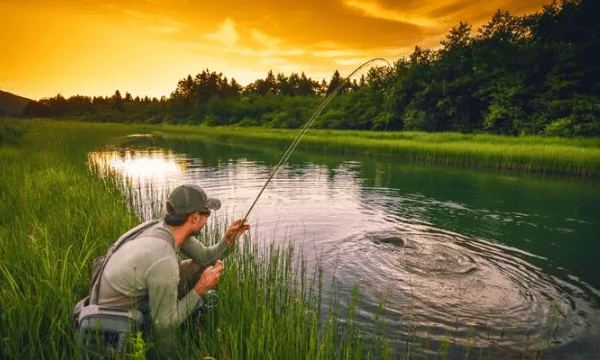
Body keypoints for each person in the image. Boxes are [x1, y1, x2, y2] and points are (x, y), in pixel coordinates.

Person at [92, 184, 249, 356]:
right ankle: (168, 354)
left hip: (119, 294)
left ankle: (189, 323)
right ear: (195, 218)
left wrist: (227, 240)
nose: (207, 220)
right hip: (114, 318)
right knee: (167, 326)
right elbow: (164, 323)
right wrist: (200, 290)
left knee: (197, 266)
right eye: (207, 214)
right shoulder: (164, 258)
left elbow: (206, 257)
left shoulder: (167, 230)